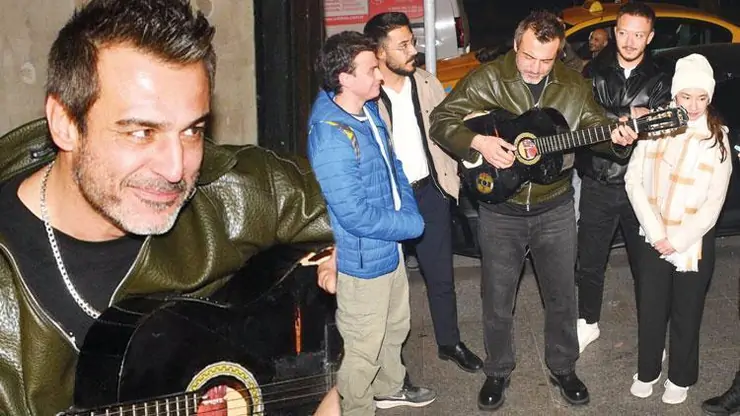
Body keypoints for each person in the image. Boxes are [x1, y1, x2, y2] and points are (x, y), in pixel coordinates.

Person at [0, 0, 341, 414]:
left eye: (192, 130)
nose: (176, 168)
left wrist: (360, 254)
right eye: (142, 132)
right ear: (65, 123)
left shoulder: (229, 191)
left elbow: (378, 208)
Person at [429, 10, 637, 412]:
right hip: (501, 209)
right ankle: (497, 369)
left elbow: (594, 127)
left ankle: (563, 367)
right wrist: (478, 142)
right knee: (497, 297)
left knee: (561, 295)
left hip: (554, 205)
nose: (536, 68)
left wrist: (617, 139)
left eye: (546, 60)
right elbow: (441, 120)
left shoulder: (572, 85)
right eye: (528, 57)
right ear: (516, 44)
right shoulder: (490, 78)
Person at [307, 31, 436, 415]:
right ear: (345, 78)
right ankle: (358, 409)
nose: (380, 75)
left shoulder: (367, 109)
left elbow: (394, 166)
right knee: (363, 349)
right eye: (370, 70)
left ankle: (389, 389)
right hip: (363, 262)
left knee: (395, 327)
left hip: (389, 247)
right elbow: (354, 214)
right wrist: (409, 226)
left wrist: (408, 213)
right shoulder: (331, 136)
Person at [363, 11, 483, 374]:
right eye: (402, 45)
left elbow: (449, 126)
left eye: (412, 42)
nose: (413, 50)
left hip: (430, 192)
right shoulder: (366, 94)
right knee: (387, 285)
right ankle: (390, 358)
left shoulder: (426, 81)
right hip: (389, 202)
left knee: (441, 276)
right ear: (380, 52)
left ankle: (450, 342)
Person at [624, 53, 732, 405]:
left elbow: (714, 202)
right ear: (675, 95)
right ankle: (648, 369)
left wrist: (679, 239)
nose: (694, 106)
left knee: (688, 311)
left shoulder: (717, 138)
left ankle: (680, 376)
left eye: (702, 97)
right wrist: (657, 233)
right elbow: (633, 180)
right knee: (651, 307)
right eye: (687, 96)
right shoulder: (655, 126)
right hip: (652, 235)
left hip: (693, 241)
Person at [574, 2, 672, 353]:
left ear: (650, 37)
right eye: (624, 33)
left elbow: (663, 127)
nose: (630, 42)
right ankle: (587, 322)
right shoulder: (593, 71)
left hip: (642, 186)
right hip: (598, 181)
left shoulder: (661, 78)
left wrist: (613, 118)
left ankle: (652, 333)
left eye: (638, 35)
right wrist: (630, 114)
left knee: (647, 266)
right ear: (614, 32)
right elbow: (580, 118)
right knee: (590, 261)